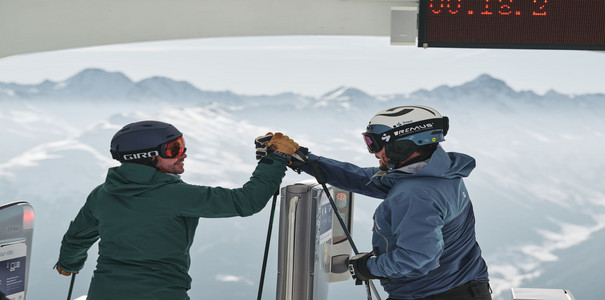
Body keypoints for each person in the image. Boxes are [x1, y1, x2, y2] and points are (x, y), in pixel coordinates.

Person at [54, 120, 299, 299]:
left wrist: (69, 264)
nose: (183, 155)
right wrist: (275, 159)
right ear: (145, 156)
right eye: (173, 150)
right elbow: (246, 202)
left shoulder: (103, 194)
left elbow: (78, 236)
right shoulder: (177, 195)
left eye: (181, 145)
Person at [288, 105, 492, 300]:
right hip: (464, 287)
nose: (374, 152)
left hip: (432, 294)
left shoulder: (415, 194)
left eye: (375, 144)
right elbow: (362, 178)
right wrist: (305, 160)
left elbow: (417, 258)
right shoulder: (439, 173)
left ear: (402, 144)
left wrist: (367, 267)